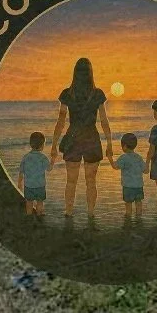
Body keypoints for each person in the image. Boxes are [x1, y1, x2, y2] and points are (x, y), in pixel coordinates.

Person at [50, 56, 113, 220]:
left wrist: (54, 144)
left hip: (73, 138)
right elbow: (104, 121)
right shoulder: (97, 94)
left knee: (71, 181)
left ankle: (69, 212)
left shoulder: (67, 93)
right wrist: (109, 143)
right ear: (91, 73)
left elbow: (61, 121)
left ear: (75, 73)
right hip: (91, 138)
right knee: (91, 181)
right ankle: (91, 214)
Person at [110, 133, 146, 222]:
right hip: (139, 186)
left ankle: (128, 220)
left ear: (125, 146)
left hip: (128, 186)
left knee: (128, 204)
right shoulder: (138, 157)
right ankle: (139, 219)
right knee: (138, 203)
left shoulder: (124, 157)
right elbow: (145, 170)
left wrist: (110, 158)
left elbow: (115, 166)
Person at [16, 131, 52, 219]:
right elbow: (49, 169)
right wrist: (53, 159)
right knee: (40, 202)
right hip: (40, 185)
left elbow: (21, 171)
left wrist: (19, 183)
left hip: (28, 185)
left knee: (29, 202)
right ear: (42, 145)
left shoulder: (26, 157)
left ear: (30, 144)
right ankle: (39, 215)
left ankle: (29, 215)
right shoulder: (43, 157)